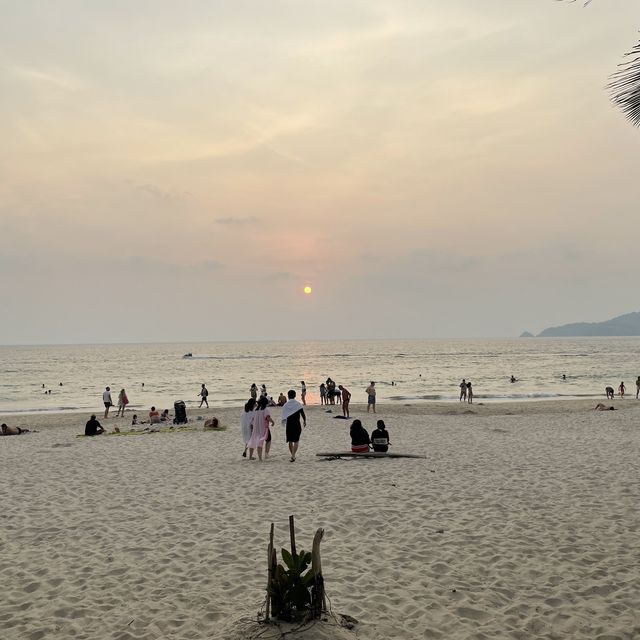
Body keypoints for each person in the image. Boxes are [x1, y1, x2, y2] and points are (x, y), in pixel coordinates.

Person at [282, 389, 306, 462]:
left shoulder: (285, 405)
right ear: (295, 396)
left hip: (289, 424)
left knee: (290, 441)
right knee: (296, 440)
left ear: (288, 396)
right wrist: (304, 420)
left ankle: (292, 455)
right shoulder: (298, 404)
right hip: (296, 424)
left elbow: (284, 414)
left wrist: (284, 421)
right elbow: (302, 413)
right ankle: (293, 455)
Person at [246, 395, 274, 461]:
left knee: (255, 441)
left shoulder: (256, 410)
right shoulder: (265, 409)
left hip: (256, 428)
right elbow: (267, 417)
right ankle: (266, 454)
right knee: (268, 440)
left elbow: (253, 419)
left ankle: (257, 458)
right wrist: (273, 422)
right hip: (264, 428)